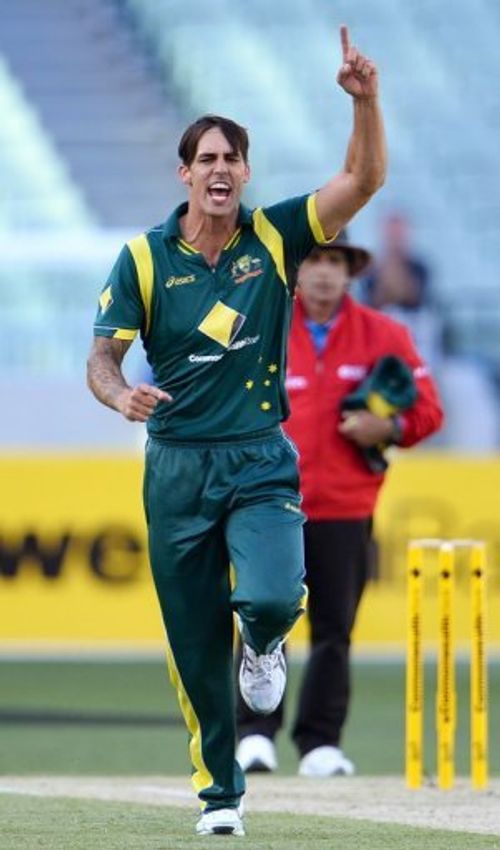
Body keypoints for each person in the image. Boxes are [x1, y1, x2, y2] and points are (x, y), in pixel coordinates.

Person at [87, 26, 386, 837]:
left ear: (245, 172)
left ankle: (264, 644)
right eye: (207, 160)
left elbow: (361, 179)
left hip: (258, 458)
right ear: (186, 173)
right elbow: (102, 359)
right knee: (192, 650)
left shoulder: (275, 236)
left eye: (233, 159)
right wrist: (120, 398)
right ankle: (222, 800)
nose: (221, 171)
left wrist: (364, 102)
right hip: (177, 466)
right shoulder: (143, 260)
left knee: (270, 596)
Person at [236, 231, 444, 778]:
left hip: (347, 505)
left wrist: (390, 426)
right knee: (263, 617)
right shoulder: (264, 327)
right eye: (313, 260)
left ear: (350, 271)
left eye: (334, 261)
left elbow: (429, 413)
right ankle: (253, 734)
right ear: (295, 271)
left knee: (334, 628)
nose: (323, 272)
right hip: (270, 503)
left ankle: (320, 743)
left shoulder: (384, 334)